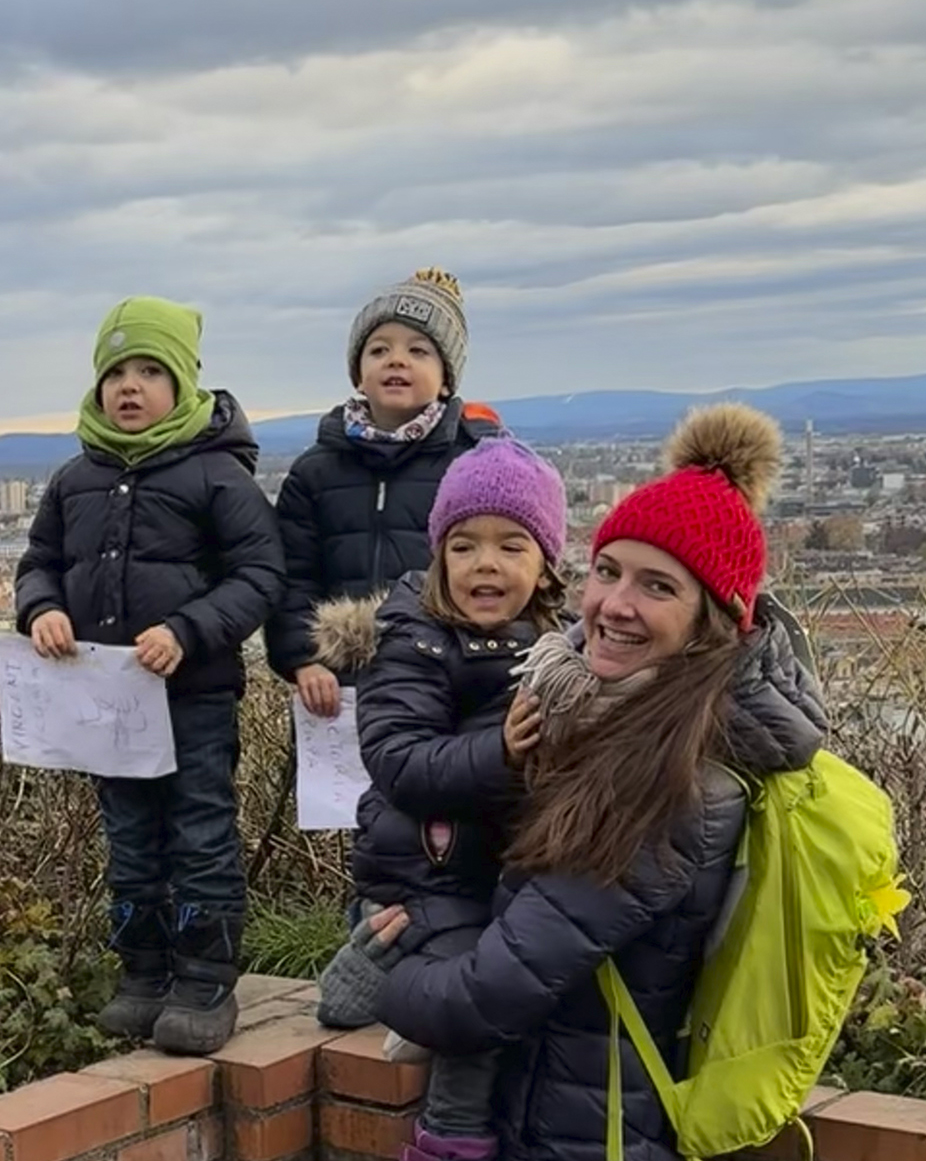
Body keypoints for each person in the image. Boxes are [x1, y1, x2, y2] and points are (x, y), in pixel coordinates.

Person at [321, 402, 829, 1161]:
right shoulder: (605, 715)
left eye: (658, 587)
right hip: (564, 1109)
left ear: (714, 620)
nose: (613, 606)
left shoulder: (671, 781)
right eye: (610, 571)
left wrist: (374, 969)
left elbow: (481, 999)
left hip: (584, 1132)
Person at [14, 296, 284, 1055]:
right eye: (116, 373)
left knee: (199, 834)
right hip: (107, 701)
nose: (129, 388)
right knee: (129, 839)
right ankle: (142, 973)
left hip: (193, 697)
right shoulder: (75, 479)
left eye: (150, 372)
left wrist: (189, 631)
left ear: (185, 384)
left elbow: (260, 573)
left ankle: (203, 982)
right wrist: (41, 610)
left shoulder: (217, 476)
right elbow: (39, 564)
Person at [306, 438, 571, 1147]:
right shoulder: (412, 642)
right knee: (475, 1003)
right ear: (438, 558)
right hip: (427, 874)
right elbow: (400, 761)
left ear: (547, 562)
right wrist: (503, 751)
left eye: (513, 545)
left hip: (512, 875)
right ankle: (447, 1138)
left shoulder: (563, 646)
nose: (486, 563)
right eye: (464, 546)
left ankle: (376, 962)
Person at [267, 268, 500, 717]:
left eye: (419, 351)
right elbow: (292, 577)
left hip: (445, 681)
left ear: (447, 378)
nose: (397, 360)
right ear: (359, 373)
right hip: (336, 691)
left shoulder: (473, 467)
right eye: (379, 349)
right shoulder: (316, 471)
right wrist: (302, 659)